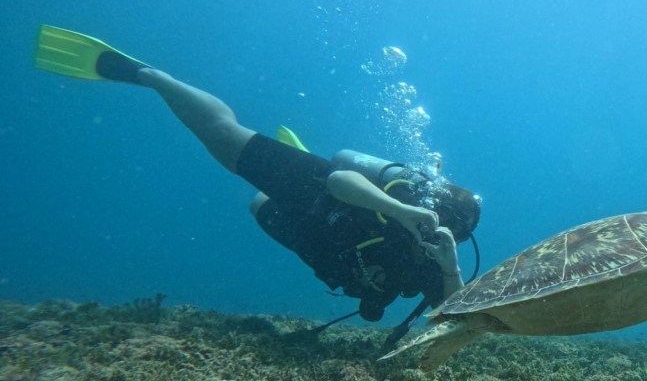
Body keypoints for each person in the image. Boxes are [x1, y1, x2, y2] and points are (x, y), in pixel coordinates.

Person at [34, 25, 482, 329]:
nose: (438, 232)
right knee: (225, 141)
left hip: (324, 244)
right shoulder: (406, 198)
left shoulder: (438, 261)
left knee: (256, 205)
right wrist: (401, 210)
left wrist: (450, 266)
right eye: (439, 221)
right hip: (326, 192)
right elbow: (337, 181)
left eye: (453, 236)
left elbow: (450, 316)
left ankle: (291, 158)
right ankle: (151, 77)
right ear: (431, 203)